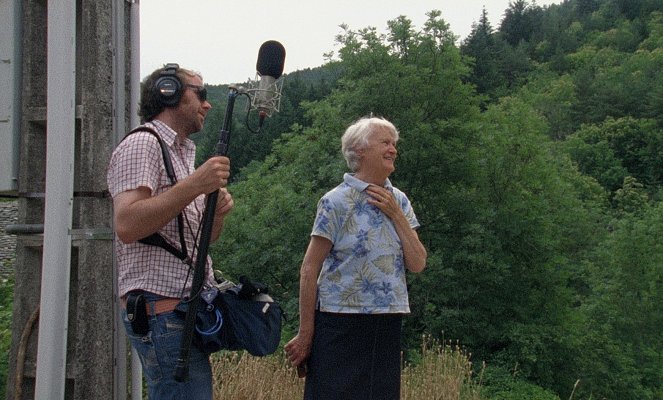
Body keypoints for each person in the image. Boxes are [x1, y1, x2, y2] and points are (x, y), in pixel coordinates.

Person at [106, 64, 233, 399]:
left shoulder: (178, 154)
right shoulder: (143, 145)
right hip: (162, 314)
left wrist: (214, 215)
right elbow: (128, 224)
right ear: (169, 92)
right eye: (200, 93)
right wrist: (195, 185)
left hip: (179, 313)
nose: (208, 104)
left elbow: (198, 242)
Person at [284, 116, 427, 399]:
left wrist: (396, 214)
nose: (393, 149)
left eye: (394, 143)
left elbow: (418, 263)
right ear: (359, 150)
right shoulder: (335, 201)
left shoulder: (399, 200)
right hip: (340, 322)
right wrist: (306, 333)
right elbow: (309, 270)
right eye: (385, 142)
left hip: (386, 320)